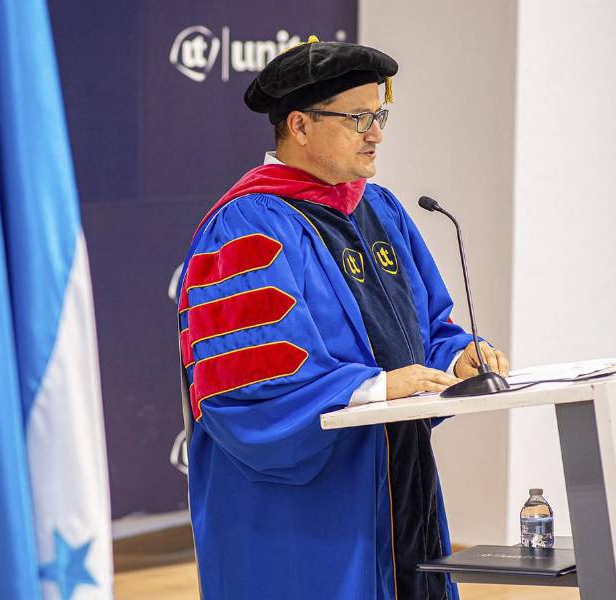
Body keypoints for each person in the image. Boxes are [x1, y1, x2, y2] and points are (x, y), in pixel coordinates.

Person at [176, 37, 509, 600]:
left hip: (398, 483)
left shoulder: (380, 209)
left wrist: (457, 355)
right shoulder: (247, 225)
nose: (376, 133)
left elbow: (428, 327)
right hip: (302, 515)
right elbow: (251, 387)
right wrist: (375, 388)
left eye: (379, 114)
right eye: (358, 118)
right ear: (299, 126)